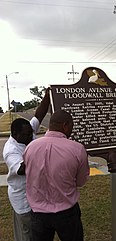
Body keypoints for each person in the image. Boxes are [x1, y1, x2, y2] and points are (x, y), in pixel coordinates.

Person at [23, 109, 90, 241]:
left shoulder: (30, 147)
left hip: (38, 213)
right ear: (65, 125)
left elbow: (29, 175)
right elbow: (80, 182)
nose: (71, 130)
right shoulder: (77, 149)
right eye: (71, 126)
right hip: (66, 212)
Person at [3, 88, 50, 241]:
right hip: (23, 200)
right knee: (27, 233)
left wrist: (47, 96)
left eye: (31, 133)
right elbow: (22, 169)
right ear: (15, 135)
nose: (31, 137)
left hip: (35, 196)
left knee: (34, 233)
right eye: (26, 135)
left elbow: (39, 115)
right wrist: (44, 154)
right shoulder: (11, 150)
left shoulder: (26, 132)